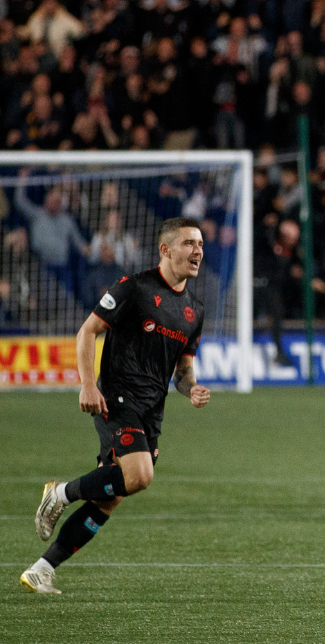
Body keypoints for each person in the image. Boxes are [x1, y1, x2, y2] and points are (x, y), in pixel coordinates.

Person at [23, 218, 210, 594]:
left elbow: (183, 369)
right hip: (116, 396)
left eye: (201, 244)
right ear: (166, 249)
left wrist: (190, 389)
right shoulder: (134, 288)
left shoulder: (194, 310)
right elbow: (87, 331)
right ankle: (58, 494)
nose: (198, 251)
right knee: (140, 475)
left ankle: (42, 568)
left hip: (151, 410)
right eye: (189, 243)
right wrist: (88, 385)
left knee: (111, 497)